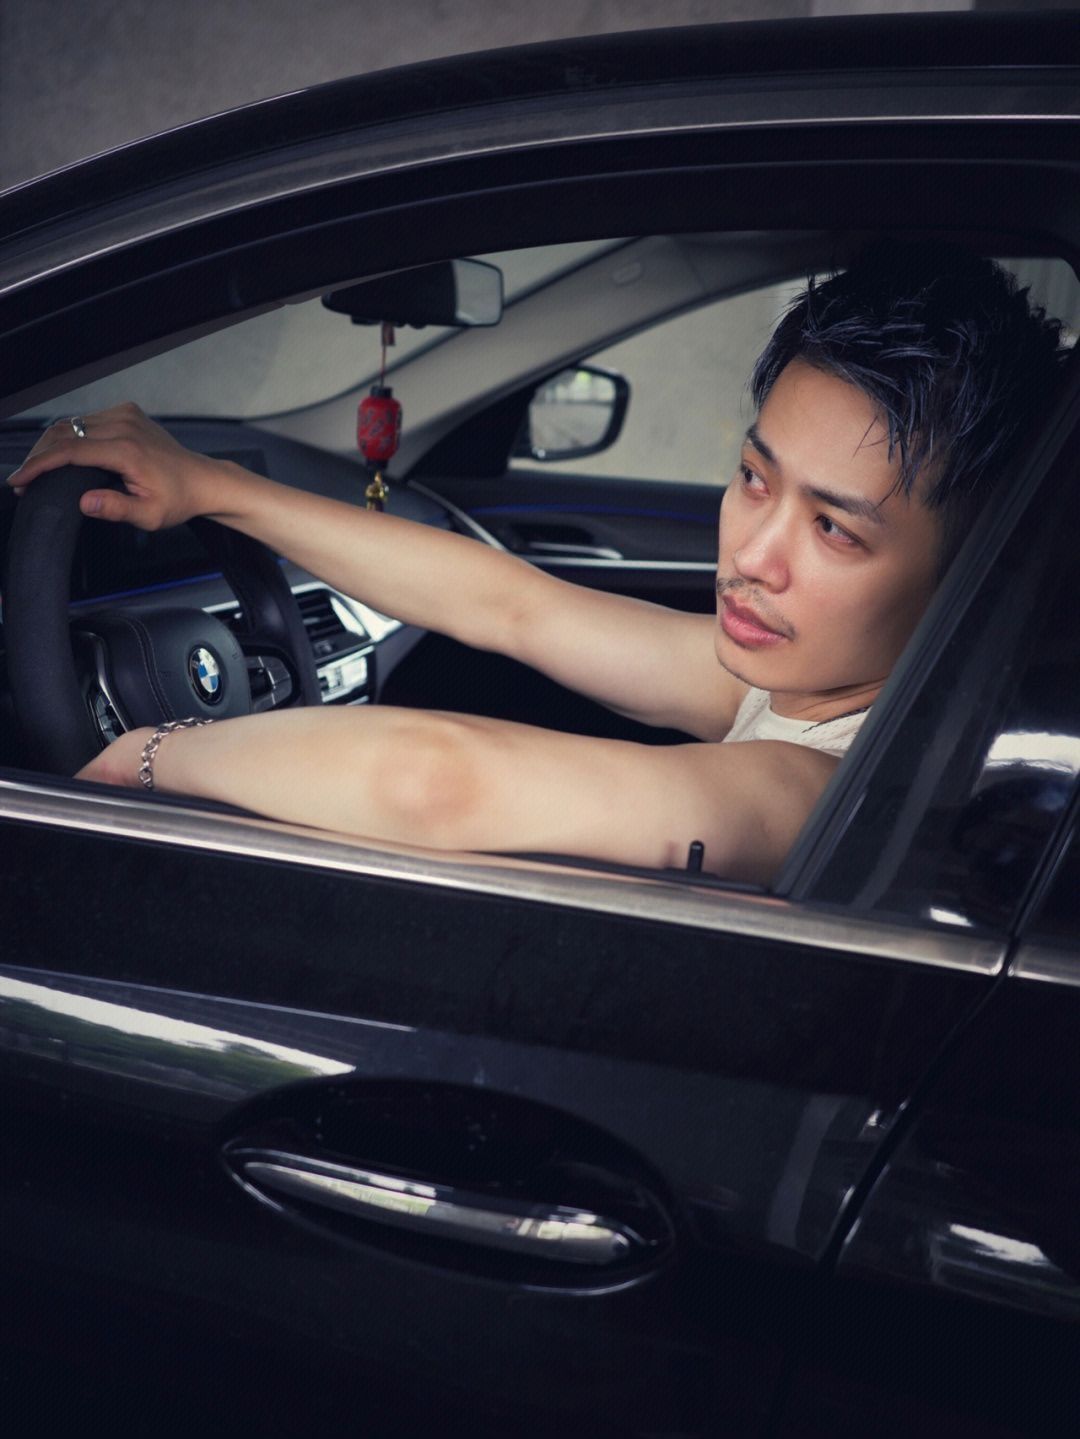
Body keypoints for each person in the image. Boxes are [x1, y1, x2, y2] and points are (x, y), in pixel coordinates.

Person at [7, 240, 1066, 883]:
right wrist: (213, 487)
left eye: (834, 529)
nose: (754, 554)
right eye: (755, 475)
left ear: (970, 572)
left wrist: (143, 762)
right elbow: (516, 605)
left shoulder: (813, 788)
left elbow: (439, 783)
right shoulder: (818, 686)